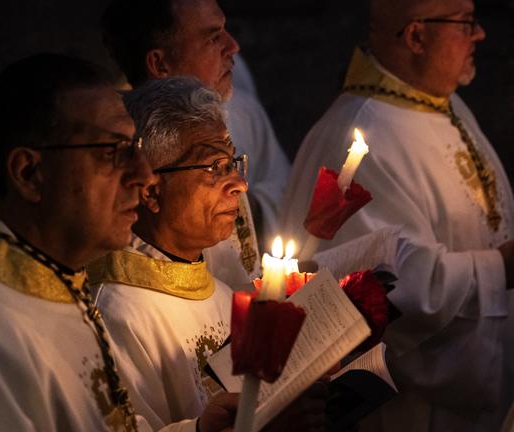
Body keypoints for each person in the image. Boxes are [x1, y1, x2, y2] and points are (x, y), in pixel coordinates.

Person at [0, 53, 239, 432]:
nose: (142, 176)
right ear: (30, 173)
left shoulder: (47, 281)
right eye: (113, 152)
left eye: (135, 152)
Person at [280, 0, 514, 429]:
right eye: (465, 22)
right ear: (416, 36)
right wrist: (501, 268)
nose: (479, 33)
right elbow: (383, 288)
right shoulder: (361, 136)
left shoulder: (444, 105)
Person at [88, 76, 327, 431]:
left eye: (233, 163)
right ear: (151, 191)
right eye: (215, 168)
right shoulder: (119, 314)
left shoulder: (222, 293)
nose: (241, 184)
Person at [101, 0, 291, 290]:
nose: (234, 46)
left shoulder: (240, 112)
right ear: (159, 63)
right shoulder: (125, 163)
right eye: (213, 37)